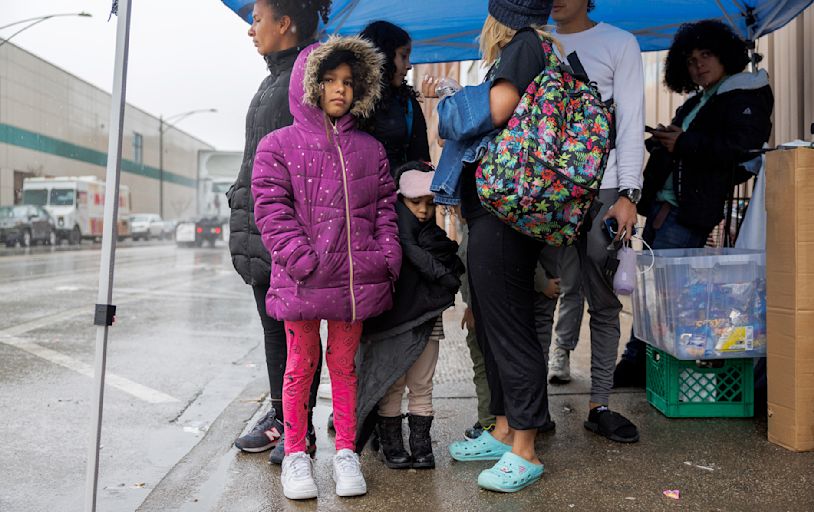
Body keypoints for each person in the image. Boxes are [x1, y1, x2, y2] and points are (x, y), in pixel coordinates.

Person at [252, 36, 401, 500]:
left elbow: (384, 209)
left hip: (354, 283)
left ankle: (346, 452)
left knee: (344, 367)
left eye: (349, 82)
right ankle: (296, 453)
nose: (340, 90)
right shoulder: (279, 145)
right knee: (299, 365)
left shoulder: (369, 149)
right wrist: (300, 259)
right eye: (330, 80)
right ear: (310, 84)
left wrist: (386, 254)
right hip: (303, 280)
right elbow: (271, 209)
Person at [426, 0, 561, 493]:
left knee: (510, 328)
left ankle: (525, 447)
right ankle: (504, 430)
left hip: (504, 216)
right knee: (490, 322)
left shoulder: (525, 46)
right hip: (491, 212)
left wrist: (451, 106)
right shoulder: (523, 50)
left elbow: (497, 108)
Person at [613, 19, 773, 386]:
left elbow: (743, 153)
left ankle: (637, 362)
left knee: (662, 292)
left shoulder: (744, 94)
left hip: (687, 212)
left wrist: (682, 143)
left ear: (726, 55)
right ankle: (645, 361)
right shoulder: (702, 100)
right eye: (690, 60)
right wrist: (665, 140)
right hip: (665, 209)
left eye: (706, 54)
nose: (698, 64)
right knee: (657, 289)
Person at [228, 0, 332, 464]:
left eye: (257, 20)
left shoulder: (302, 79)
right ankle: (281, 418)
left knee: (296, 333)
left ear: (284, 24)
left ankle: (299, 428)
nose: (252, 31)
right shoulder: (276, 76)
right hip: (261, 230)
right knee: (275, 331)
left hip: (283, 231)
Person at [543, 0, 645, 443]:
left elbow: (631, 121)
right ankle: (529, 411)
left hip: (603, 189)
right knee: (540, 295)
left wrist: (628, 194)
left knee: (603, 301)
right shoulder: (533, 41)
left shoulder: (620, 43)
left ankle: (599, 403)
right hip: (544, 191)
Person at [355, 161, 463, 470]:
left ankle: (421, 447)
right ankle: (393, 445)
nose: (423, 210)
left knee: (421, 385)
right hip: (393, 323)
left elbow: (448, 266)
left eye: (430, 203)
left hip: (429, 322)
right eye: (415, 201)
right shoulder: (387, 235)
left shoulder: (435, 239)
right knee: (391, 383)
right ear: (400, 198)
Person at [359, 21, 431, 172]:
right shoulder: (349, 99)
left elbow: (421, 161)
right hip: (357, 193)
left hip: (397, 192)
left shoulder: (407, 103)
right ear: (383, 55)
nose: (409, 65)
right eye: (403, 56)